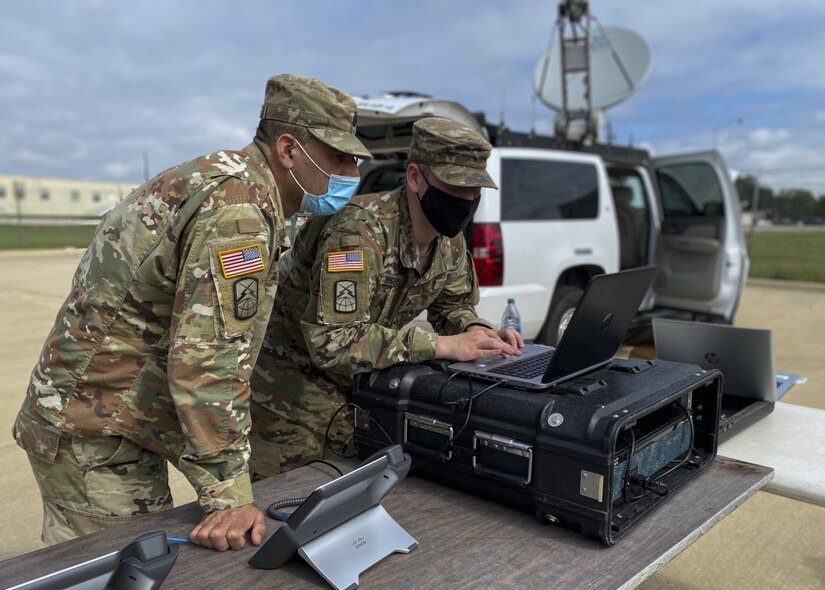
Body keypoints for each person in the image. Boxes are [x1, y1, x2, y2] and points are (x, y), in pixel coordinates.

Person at [11, 74, 371, 551]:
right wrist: (227, 494)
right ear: (288, 150)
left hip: (111, 414)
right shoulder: (238, 209)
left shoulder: (230, 182)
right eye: (338, 156)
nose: (351, 171)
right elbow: (208, 361)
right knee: (120, 570)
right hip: (94, 429)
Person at [249, 116, 524, 479]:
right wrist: (441, 345)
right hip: (291, 399)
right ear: (414, 177)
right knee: (287, 514)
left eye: (475, 189)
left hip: (359, 391)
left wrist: (477, 332)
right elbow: (332, 343)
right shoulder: (358, 233)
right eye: (455, 186)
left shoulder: (448, 240)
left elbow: (452, 305)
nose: (467, 199)